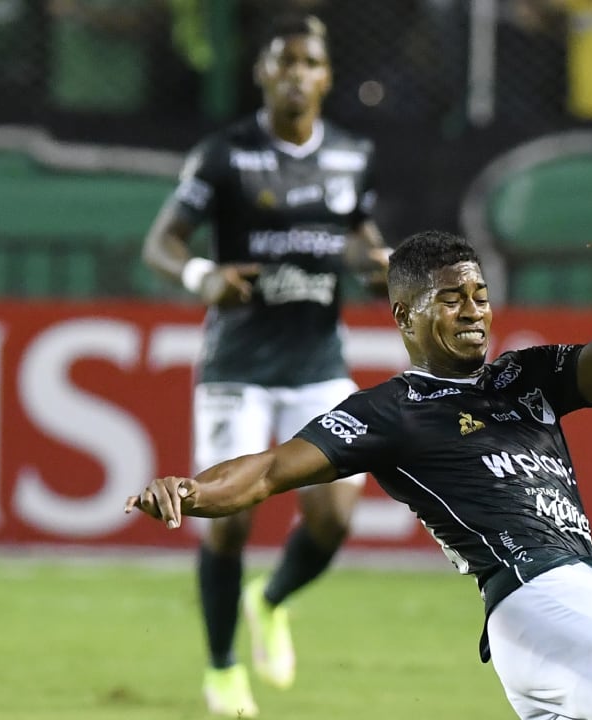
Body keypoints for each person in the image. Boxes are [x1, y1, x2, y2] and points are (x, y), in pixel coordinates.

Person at [126, 227, 592, 720]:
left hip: (563, 603)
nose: (473, 311)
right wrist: (191, 489)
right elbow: (269, 470)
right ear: (405, 315)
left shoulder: (528, 376)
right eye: (451, 298)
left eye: (481, 295)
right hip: (537, 595)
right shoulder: (393, 412)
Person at [139, 14, 391, 718]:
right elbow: (160, 242)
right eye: (283, 61)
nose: (296, 74)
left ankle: (270, 600)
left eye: (309, 62)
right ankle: (222, 670)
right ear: (262, 73)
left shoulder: (350, 154)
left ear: (326, 76)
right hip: (239, 368)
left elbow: (366, 241)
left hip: (317, 364)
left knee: (336, 518)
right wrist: (200, 276)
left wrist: (383, 271)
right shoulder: (224, 155)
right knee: (225, 522)